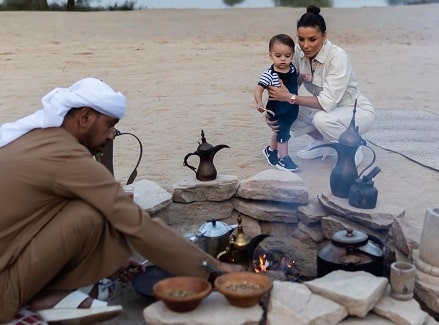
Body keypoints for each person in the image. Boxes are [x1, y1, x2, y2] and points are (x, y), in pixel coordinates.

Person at [0, 77, 241, 324]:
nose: (111, 135)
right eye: (109, 125)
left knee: (91, 207)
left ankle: (47, 294)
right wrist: (213, 269)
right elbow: (134, 222)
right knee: (94, 212)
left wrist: (108, 255)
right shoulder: (64, 154)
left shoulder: (40, 138)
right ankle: (43, 296)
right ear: (84, 118)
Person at [267, 5, 375, 166]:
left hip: (355, 111)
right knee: (282, 108)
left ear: (324, 36)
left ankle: (352, 146)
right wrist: (272, 109)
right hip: (327, 109)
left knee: (321, 119)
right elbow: (288, 83)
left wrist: (289, 97)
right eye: (301, 39)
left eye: (312, 39)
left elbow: (327, 102)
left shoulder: (338, 57)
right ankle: (323, 142)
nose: (305, 45)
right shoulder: (297, 52)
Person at [254, 34, 300, 172]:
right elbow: (258, 89)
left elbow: (295, 81)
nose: (282, 59)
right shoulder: (269, 74)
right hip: (277, 109)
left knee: (279, 130)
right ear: (271, 55)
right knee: (282, 132)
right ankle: (283, 158)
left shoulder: (292, 68)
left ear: (292, 55)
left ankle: (270, 150)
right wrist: (259, 102)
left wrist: (304, 77)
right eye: (278, 55)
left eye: (287, 55)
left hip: (291, 107)